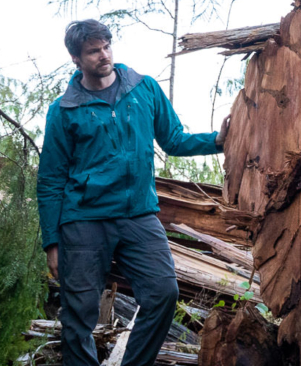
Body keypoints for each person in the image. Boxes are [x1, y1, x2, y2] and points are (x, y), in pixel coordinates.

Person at [37, 19, 227, 366]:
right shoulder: (63, 111)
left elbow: (174, 140)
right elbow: (50, 179)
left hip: (138, 215)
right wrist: (52, 242)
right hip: (83, 221)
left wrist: (216, 141)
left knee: (163, 293)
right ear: (76, 59)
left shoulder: (143, 89)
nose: (103, 55)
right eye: (93, 51)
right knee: (78, 316)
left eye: (106, 46)